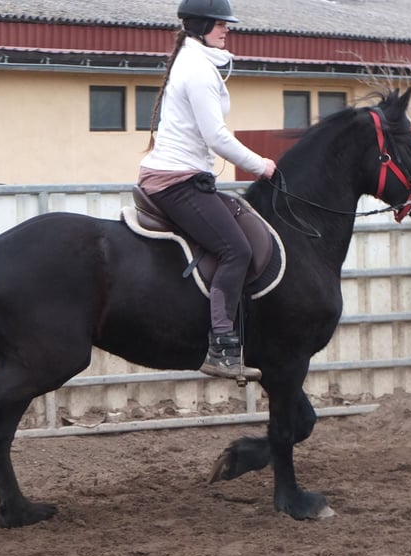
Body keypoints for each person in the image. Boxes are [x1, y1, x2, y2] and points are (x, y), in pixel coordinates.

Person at [138, 0, 276, 380]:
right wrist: (259, 165)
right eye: (219, 23)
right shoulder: (198, 69)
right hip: (176, 181)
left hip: (185, 176)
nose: (226, 28)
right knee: (236, 250)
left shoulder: (194, 59)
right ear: (200, 24)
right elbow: (215, 136)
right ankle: (222, 346)